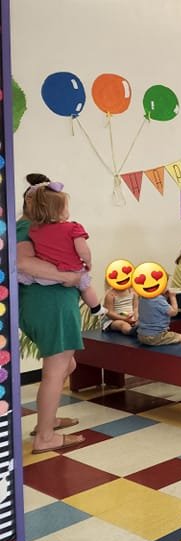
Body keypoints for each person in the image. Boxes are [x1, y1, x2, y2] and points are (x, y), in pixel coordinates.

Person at [18, 173, 86, 453]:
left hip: (49, 304)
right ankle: (45, 437)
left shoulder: (40, 228)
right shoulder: (28, 227)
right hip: (52, 305)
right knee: (56, 371)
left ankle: (48, 419)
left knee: (66, 366)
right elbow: (23, 262)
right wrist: (69, 276)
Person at [24, 182, 102, 315]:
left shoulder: (33, 230)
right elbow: (83, 250)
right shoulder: (73, 228)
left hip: (46, 277)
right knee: (85, 286)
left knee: (25, 276)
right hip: (72, 270)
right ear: (60, 210)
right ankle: (96, 308)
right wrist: (88, 262)